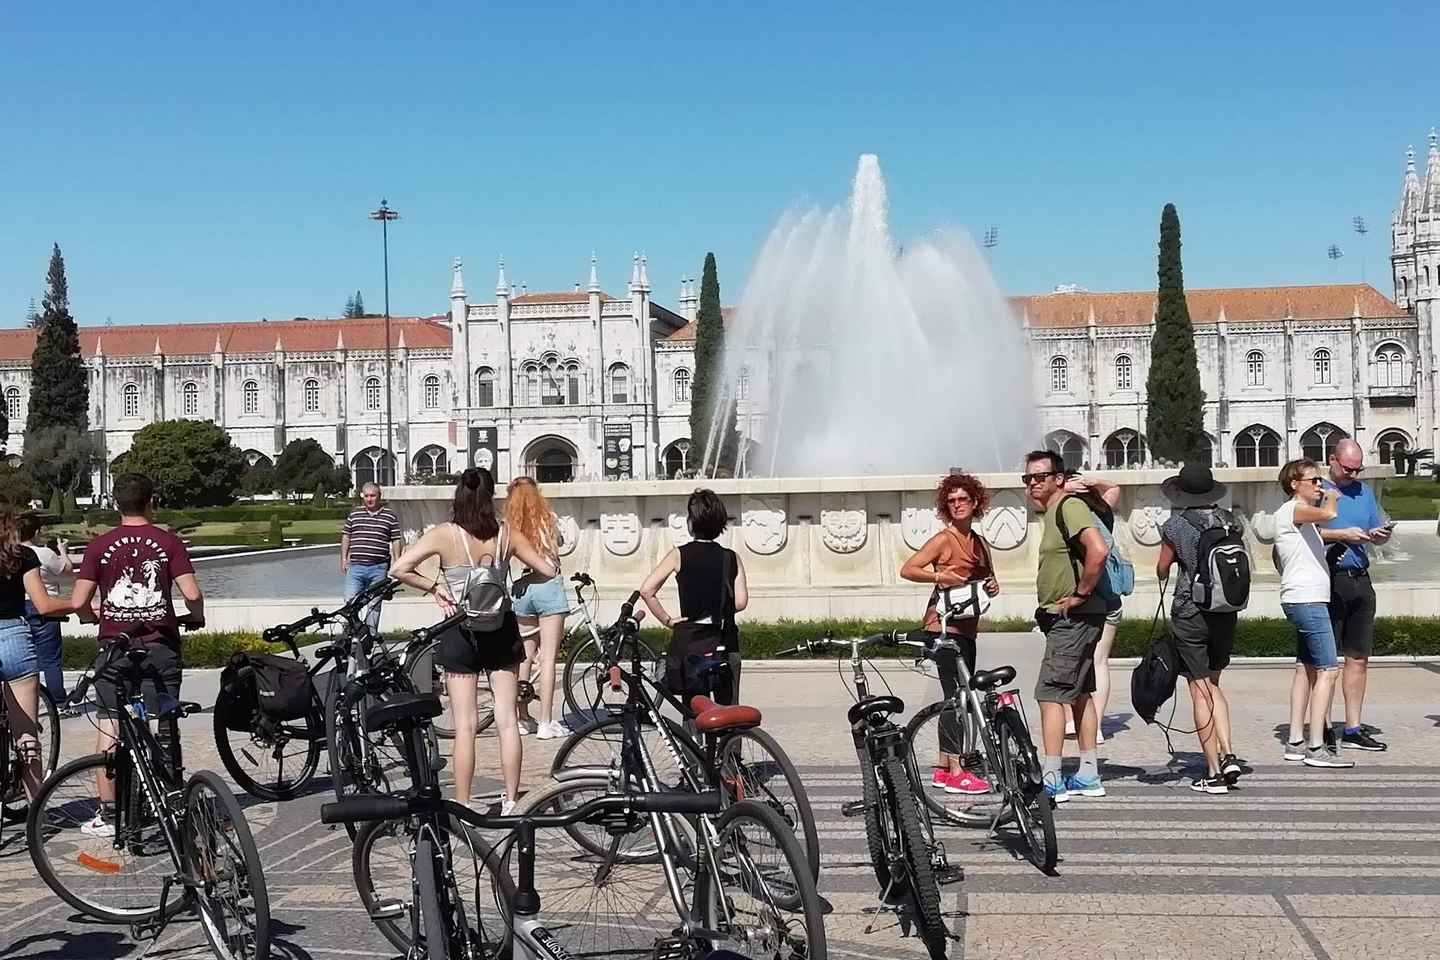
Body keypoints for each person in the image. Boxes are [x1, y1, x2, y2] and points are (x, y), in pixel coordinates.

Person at [389, 467, 555, 813]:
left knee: (465, 725)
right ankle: (511, 800)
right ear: (490, 496)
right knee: (507, 718)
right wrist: (522, 583)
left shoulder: (444, 535)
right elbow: (549, 570)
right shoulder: (506, 534)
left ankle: (463, 802)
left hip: (459, 630)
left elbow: (398, 569)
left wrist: (435, 587)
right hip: (502, 628)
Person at [68, 473, 206, 835]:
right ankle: (173, 801)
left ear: (116, 503)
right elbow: (191, 593)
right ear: (151, 500)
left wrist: (92, 617)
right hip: (160, 645)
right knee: (166, 720)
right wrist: (196, 616)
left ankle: (109, 812)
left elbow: (78, 602)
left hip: (115, 648)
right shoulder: (168, 542)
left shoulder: (100, 545)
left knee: (110, 721)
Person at [899, 471, 1000, 796]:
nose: (957, 505)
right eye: (951, 500)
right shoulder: (944, 539)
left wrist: (993, 587)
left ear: (975, 502)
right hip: (942, 629)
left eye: (963, 499)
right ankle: (956, 770)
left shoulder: (980, 542)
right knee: (957, 698)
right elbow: (909, 568)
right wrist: (940, 575)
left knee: (958, 697)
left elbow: (985, 579)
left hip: (967, 629)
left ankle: (944, 767)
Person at [1021, 450, 1109, 803]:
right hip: (1078, 619)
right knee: (1080, 694)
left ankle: (1053, 776)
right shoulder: (1054, 512)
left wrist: (1079, 594)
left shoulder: (1068, 507)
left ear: (1058, 478)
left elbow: (1097, 550)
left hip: (1073, 619)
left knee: (1050, 694)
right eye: (1027, 478)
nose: (1032, 484)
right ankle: (1088, 773)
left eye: (1039, 477)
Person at [1156, 463, 1244, 794]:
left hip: (1190, 612)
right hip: (1225, 610)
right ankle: (1229, 752)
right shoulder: (1231, 520)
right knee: (1215, 683)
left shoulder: (1175, 526)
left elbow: (1162, 568)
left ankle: (1213, 772)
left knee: (1199, 689)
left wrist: (1178, 562)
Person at [1273, 458, 1351, 769]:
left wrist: (1349, 535)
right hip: (1306, 601)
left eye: (1320, 481)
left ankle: (1295, 741)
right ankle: (1316, 746)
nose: (1319, 485)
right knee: (1329, 671)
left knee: (1305, 668)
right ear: (1294, 484)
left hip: (1307, 598)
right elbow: (1329, 513)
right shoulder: (1293, 509)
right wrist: (1332, 494)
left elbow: (1322, 532)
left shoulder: (1300, 519)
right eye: (1313, 480)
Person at [640, 489, 748, 706]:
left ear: (691, 522)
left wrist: (668, 620)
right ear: (720, 523)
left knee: (695, 710)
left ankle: (694, 740)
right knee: (729, 712)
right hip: (725, 643)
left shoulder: (678, 555)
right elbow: (741, 602)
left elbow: (646, 590)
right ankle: (729, 740)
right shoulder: (731, 557)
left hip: (692, 646)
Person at [1317, 439, 1389, 752]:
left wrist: (1380, 535)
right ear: (1331, 460)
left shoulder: (1364, 492)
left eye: (1358, 468)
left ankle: (1353, 727)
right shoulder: (1317, 491)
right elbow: (1302, 532)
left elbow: (1377, 534)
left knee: (1358, 658)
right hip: (1328, 580)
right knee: (1325, 662)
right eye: (1348, 468)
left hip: (1360, 579)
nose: (1354, 474)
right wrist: (1340, 534)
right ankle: (1321, 726)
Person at [0, 512, 75, 802]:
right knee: (27, 735)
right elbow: (43, 605)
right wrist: (78, 604)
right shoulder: (25, 555)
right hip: (14, 636)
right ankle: (37, 812)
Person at [505, 477, 570, 740]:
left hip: (523, 588)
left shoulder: (510, 525)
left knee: (525, 657)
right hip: (548, 586)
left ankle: (523, 718)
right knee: (549, 658)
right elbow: (560, 543)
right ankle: (546, 721)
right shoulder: (548, 517)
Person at [1059, 475, 1121, 745]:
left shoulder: (1068, 512)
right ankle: (1096, 727)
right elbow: (1115, 486)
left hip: (1083, 598)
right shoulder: (1103, 511)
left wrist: (1065, 488)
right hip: (1110, 598)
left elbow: (1037, 497)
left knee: (1068, 661)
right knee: (1099, 662)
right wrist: (1089, 480)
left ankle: (1073, 721)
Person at [19, 514, 72, 704]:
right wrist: (62, 551)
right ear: (37, 531)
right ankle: (58, 702)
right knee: (50, 660)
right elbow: (66, 570)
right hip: (44, 606)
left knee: (19, 663)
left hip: (17, 608)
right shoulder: (43, 554)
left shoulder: (9, 551)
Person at [341, 482, 401, 633]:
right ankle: (355, 633)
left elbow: (396, 540)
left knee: (374, 605)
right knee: (350, 603)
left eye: (373, 495)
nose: (369, 499)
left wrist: (397, 563)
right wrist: (343, 558)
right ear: (362, 496)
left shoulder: (389, 516)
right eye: (366, 495)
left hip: (378, 568)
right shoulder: (355, 514)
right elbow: (346, 536)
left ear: (379, 496)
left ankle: (370, 636)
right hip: (356, 567)